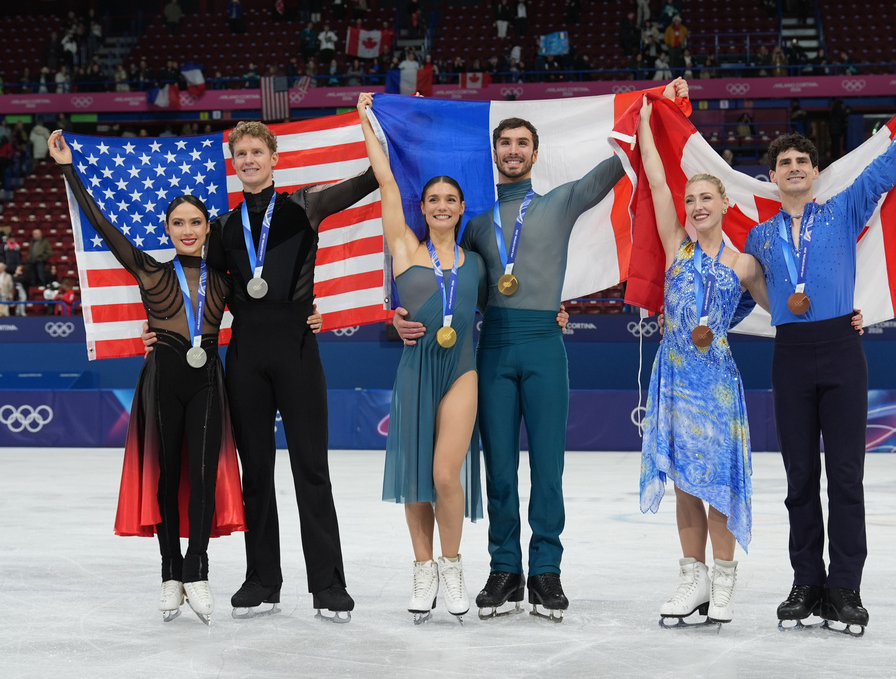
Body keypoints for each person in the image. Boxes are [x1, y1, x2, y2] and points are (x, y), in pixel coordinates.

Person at [394, 87, 656, 621]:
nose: (513, 150)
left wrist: (652, 111)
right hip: (492, 349)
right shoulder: (475, 224)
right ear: (494, 154)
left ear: (535, 153)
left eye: (522, 143)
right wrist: (399, 316)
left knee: (549, 468)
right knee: (499, 470)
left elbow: (616, 167)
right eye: (505, 143)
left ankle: (545, 572)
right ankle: (504, 570)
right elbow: (443, 285)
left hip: (543, 346)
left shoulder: (561, 200)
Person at [742, 51, 896, 634]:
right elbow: (735, 290)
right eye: (783, 161)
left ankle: (845, 589)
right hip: (789, 355)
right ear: (771, 177)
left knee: (845, 475)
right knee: (798, 478)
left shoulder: (843, 211)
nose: (793, 167)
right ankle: (805, 582)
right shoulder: (759, 235)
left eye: (802, 160)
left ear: (816, 172)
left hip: (841, 349)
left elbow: (891, 165)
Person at [142, 121, 379, 622]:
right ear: (234, 161)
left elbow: (367, 181)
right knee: (256, 474)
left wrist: (383, 130)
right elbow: (189, 282)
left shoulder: (303, 206)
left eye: (257, 151)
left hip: (296, 347)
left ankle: (329, 585)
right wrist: (162, 332)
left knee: (311, 469)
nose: (248, 160)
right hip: (245, 353)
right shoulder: (223, 228)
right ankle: (262, 581)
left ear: (274, 158)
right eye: (241, 153)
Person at [48, 129, 248, 624]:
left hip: (206, 382)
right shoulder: (149, 271)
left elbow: (269, 311)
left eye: (195, 222)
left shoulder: (224, 280)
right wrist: (68, 168)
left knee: (202, 475)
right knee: (166, 477)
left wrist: (309, 315)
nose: (186, 229)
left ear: (207, 228)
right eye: (177, 222)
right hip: (162, 378)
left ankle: (198, 570)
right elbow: (101, 222)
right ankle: (170, 574)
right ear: (166, 228)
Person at [636, 91, 768, 626]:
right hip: (673, 376)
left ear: (724, 204)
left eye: (706, 199)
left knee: (718, 485)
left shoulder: (744, 263)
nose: (696, 206)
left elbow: (784, 309)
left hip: (715, 383)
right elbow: (654, 177)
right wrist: (646, 120)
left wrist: (843, 313)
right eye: (692, 199)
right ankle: (693, 580)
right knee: (685, 483)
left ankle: (725, 583)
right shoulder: (675, 246)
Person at [358, 93, 484, 621]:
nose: (439, 205)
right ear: (424, 207)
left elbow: (515, 298)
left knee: (445, 474)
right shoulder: (405, 249)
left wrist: (556, 316)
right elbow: (387, 181)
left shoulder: (478, 260)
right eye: (431, 198)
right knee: (416, 477)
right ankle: (422, 568)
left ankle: (452, 566)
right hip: (415, 367)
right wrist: (368, 119)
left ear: (460, 207)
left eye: (448, 199)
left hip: (461, 371)